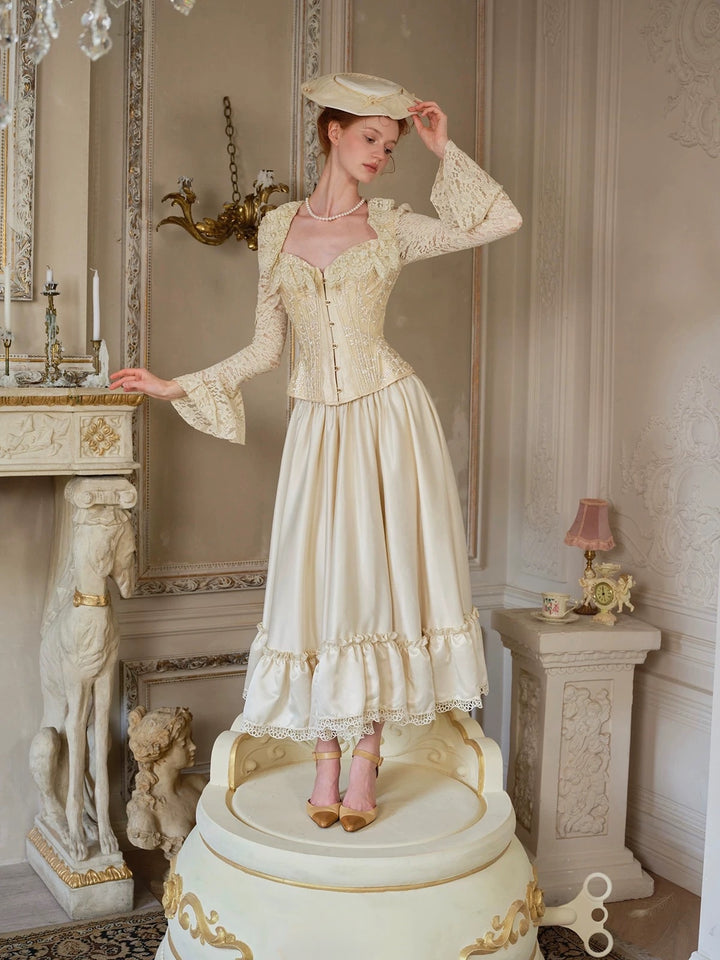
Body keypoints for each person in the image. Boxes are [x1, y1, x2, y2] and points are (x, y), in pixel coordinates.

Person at [112, 72, 522, 833]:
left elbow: (497, 220)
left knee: (378, 585)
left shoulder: (392, 224)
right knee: (321, 586)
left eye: (391, 147)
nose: (381, 156)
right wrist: (177, 385)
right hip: (317, 429)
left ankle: (364, 759)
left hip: (388, 418)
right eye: (371, 138)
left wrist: (442, 148)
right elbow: (266, 348)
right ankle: (324, 756)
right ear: (333, 131)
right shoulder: (276, 230)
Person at [126, 706, 205, 858]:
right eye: (184, 743)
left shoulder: (199, 784)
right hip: (178, 872)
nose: (193, 746)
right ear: (161, 752)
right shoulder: (144, 815)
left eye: (191, 739)